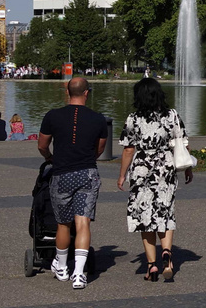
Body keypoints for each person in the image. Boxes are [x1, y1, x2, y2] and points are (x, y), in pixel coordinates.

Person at [36, 76, 110, 289]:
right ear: (87, 93)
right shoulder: (98, 118)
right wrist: (87, 158)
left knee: (63, 224)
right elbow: (100, 148)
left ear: (67, 92)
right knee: (83, 222)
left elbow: (42, 145)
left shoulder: (52, 116)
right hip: (87, 173)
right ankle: (79, 273)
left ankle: (61, 266)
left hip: (62, 173)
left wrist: (50, 157)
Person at [117, 76, 192, 283]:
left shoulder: (134, 118)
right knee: (165, 211)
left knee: (145, 216)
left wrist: (123, 174)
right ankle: (166, 253)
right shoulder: (172, 115)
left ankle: (151, 266)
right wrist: (187, 169)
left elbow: (128, 149)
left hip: (142, 170)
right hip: (166, 169)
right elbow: (182, 142)